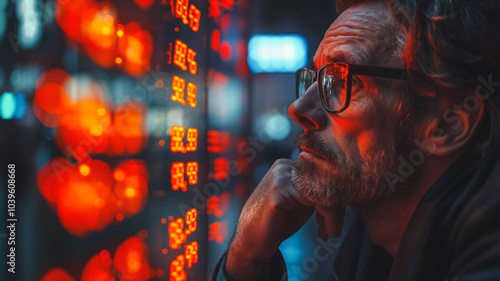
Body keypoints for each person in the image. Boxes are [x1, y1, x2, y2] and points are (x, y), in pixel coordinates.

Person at [213, 0, 500, 280]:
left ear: (448, 125)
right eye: (316, 79)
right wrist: (246, 260)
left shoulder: (487, 250)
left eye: (343, 80)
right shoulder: (373, 242)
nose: (298, 109)